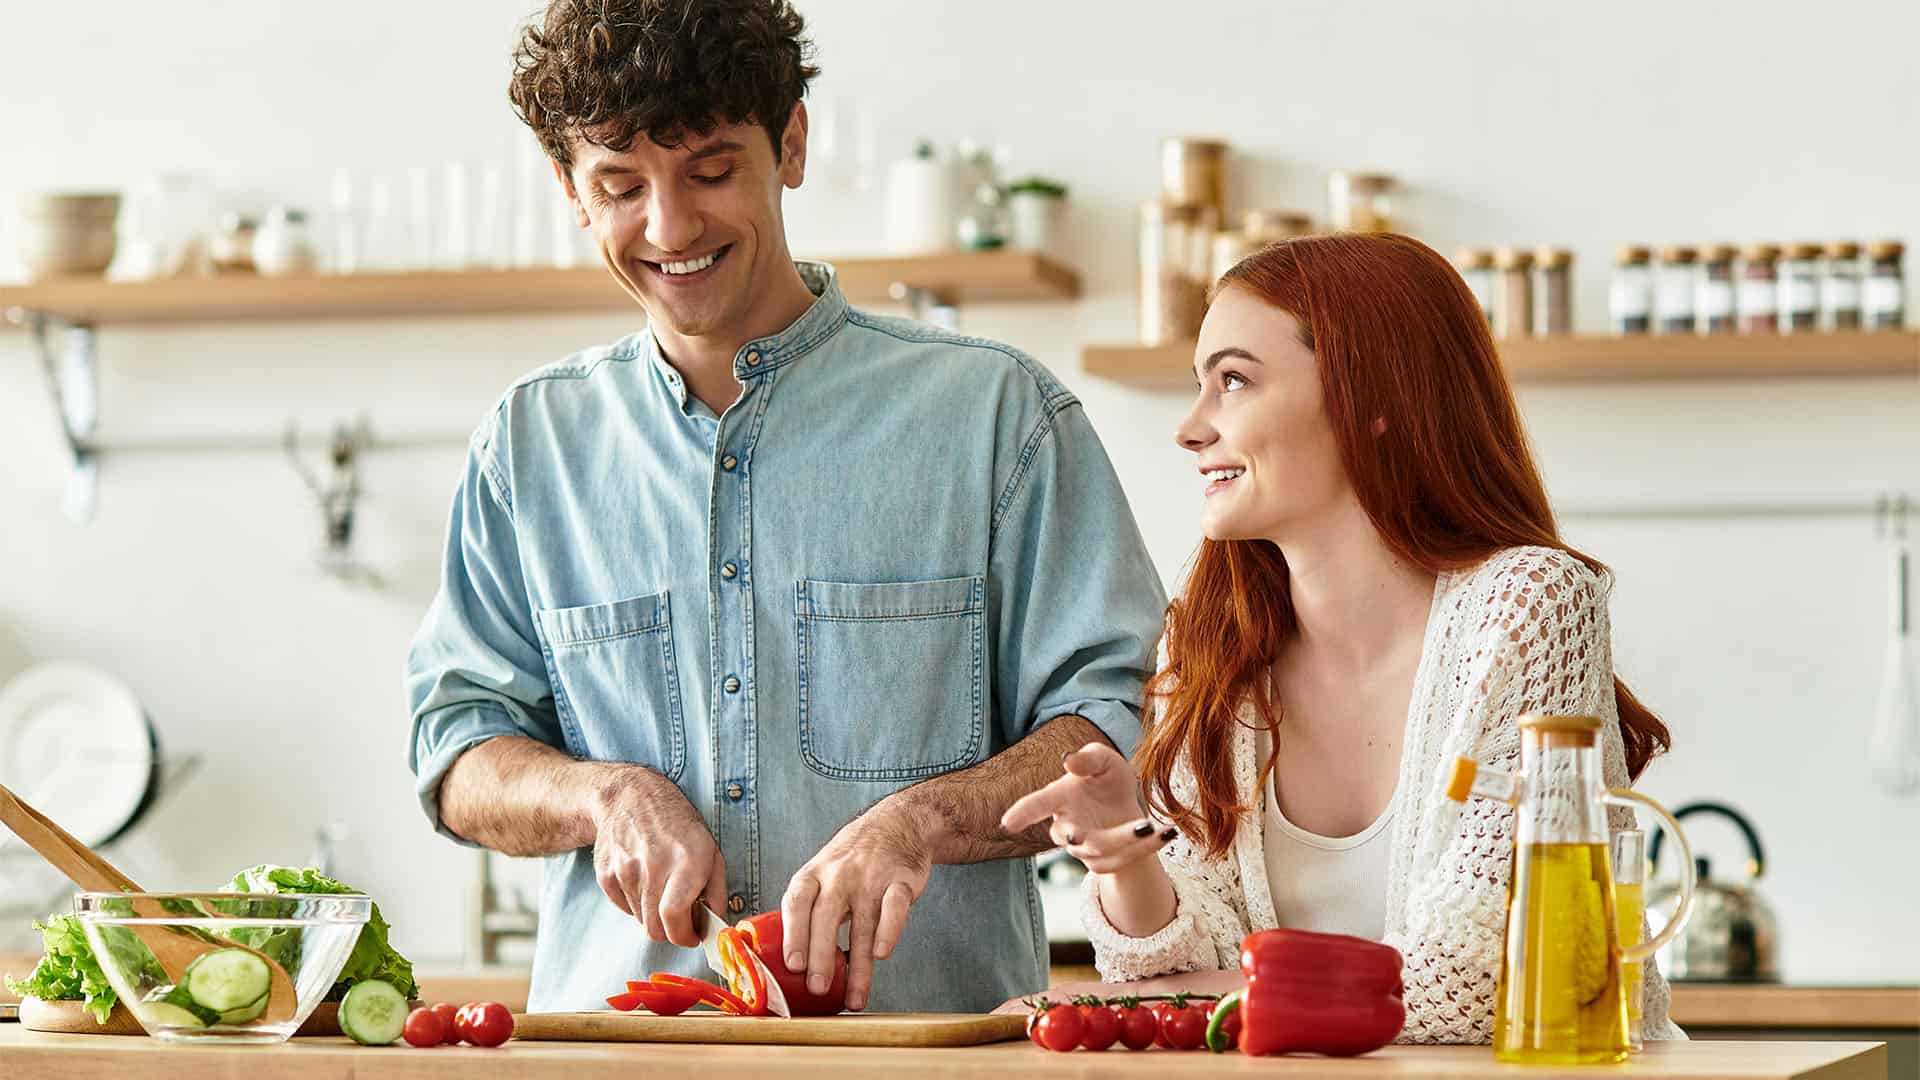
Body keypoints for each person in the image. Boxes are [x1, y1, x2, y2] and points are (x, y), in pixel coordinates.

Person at [406, 0, 1163, 1014]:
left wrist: (921, 822)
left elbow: (1118, 727)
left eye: (712, 171)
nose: (670, 228)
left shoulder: (998, 416)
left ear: (791, 143)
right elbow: (457, 747)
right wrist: (605, 795)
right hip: (615, 1062)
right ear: (570, 192)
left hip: (928, 1065)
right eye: (621, 187)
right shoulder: (530, 444)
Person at [1001, 232, 1680, 1042]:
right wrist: (1127, 858)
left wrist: (1177, 997)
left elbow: (1485, 982)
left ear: (1374, 399)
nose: (1190, 428)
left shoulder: (1527, 607)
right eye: (1199, 386)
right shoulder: (1213, 644)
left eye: (1234, 382)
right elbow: (1167, 972)